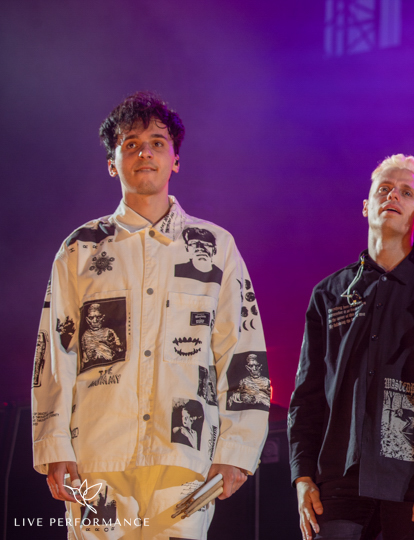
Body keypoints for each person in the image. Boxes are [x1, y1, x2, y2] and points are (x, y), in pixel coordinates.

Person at [32, 91, 270, 540]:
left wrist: (238, 449)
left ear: (175, 159)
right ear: (112, 163)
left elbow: (242, 351)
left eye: (157, 143)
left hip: (185, 459)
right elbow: (55, 353)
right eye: (131, 144)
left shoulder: (215, 248)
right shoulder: (80, 249)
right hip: (96, 456)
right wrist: (53, 444)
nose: (145, 153)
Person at [287, 154, 414, 540]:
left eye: (407, 192)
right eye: (385, 189)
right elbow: (307, 395)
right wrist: (302, 475)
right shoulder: (329, 293)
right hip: (337, 481)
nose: (393, 195)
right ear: (366, 206)